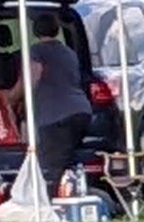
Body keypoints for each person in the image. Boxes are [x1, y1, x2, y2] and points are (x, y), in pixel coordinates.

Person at [22, 31, 95, 187]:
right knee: (67, 158)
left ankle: (51, 196)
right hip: (81, 111)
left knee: (50, 167)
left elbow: (33, 76)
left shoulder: (37, 51)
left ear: (35, 31)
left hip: (56, 117)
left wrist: (14, 96)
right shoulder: (70, 53)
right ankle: (75, 188)